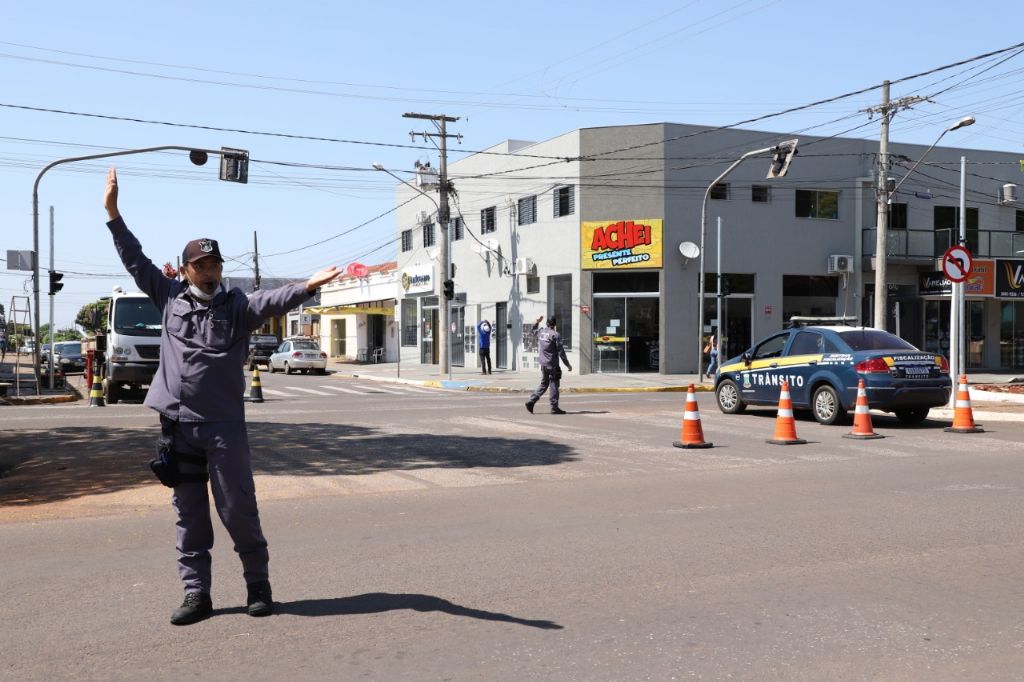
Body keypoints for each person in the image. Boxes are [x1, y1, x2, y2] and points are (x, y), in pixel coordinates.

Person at [103, 167, 343, 626]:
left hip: (223, 428)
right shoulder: (168, 297)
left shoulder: (237, 308)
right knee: (189, 514)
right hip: (178, 427)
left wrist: (309, 287)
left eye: (215, 265)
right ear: (186, 269)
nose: (210, 272)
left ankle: (258, 585)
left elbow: (272, 300)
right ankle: (197, 594)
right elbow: (135, 259)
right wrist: (113, 213)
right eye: (201, 266)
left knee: (237, 508)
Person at [525, 314, 572, 415]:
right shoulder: (555, 335)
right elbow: (561, 352)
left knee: (544, 384)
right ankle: (554, 407)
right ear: (555, 324)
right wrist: (568, 365)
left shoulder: (541, 332)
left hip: (543, 364)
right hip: (552, 365)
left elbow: (532, 330)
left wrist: (537, 321)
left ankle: (531, 401)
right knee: (554, 385)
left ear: (547, 323)